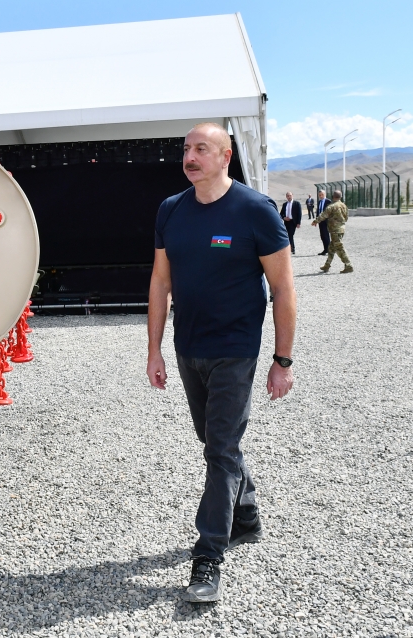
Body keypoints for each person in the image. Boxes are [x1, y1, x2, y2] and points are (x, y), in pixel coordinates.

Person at [147, 122, 296, 603]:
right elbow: (160, 282)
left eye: (201, 149)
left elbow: (283, 289)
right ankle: (245, 514)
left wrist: (282, 360)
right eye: (186, 149)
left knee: (220, 449)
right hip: (189, 347)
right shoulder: (171, 210)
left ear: (226, 156)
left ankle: (208, 554)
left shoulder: (255, 210)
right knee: (215, 442)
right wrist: (154, 349)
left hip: (236, 349)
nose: (190, 158)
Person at [311, 189, 353, 273]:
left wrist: (315, 221)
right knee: (331, 248)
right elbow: (346, 218)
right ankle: (327, 265)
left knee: (339, 247)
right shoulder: (344, 206)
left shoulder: (331, 206)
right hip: (341, 229)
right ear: (341, 197)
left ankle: (348, 265)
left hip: (335, 230)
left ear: (333, 196)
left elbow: (323, 215)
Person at [314, 190, 331, 255]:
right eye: (320, 195)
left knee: (326, 235)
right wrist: (316, 220)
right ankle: (325, 249)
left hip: (326, 221)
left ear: (325, 194)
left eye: (322, 195)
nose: (321, 196)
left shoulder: (328, 201)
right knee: (322, 235)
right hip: (320, 221)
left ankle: (329, 250)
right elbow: (318, 211)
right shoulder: (319, 202)